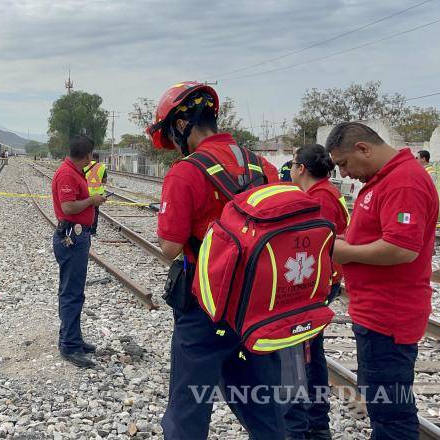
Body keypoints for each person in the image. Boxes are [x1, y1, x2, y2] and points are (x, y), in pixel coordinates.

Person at [148, 81, 283, 440]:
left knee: (188, 411)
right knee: (262, 406)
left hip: (206, 307)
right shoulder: (263, 165)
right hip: (258, 305)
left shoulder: (186, 171)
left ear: (180, 125)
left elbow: (170, 248)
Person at [327, 122, 438, 440]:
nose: (345, 174)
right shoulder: (383, 180)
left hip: (389, 315)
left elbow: (402, 248)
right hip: (376, 312)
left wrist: (346, 251)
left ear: (363, 148)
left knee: (391, 412)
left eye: (345, 164)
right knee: (382, 403)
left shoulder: (403, 182)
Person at [284, 144, 350, 440]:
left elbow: (312, 247)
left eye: (293, 163)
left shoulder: (320, 199)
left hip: (316, 285)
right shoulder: (322, 193)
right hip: (320, 281)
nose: (290, 168)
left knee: (306, 355)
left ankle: (312, 423)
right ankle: (313, 420)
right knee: (310, 352)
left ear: (302, 169)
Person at [51, 135, 106, 369]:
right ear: (88, 155)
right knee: (71, 292)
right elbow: (68, 206)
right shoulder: (67, 174)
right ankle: (69, 345)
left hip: (76, 235)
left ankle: (73, 338)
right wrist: (92, 200)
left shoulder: (73, 171)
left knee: (75, 291)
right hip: (71, 237)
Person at [83, 153, 108, 235]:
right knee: (95, 212)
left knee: (84, 211)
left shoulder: (84, 165)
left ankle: (84, 229)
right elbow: (104, 181)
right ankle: (93, 231)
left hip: (86, 192)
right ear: (98, 158)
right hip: (97, 194)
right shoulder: (102, 167)